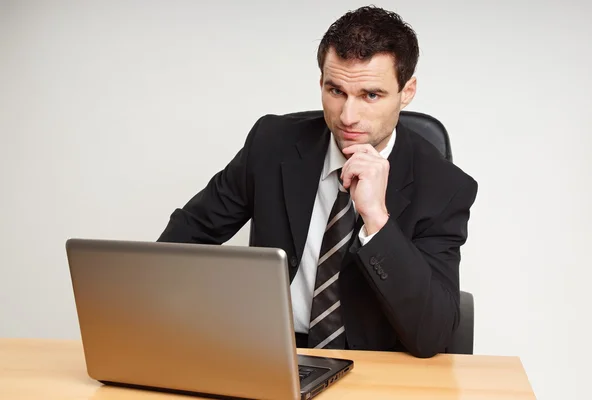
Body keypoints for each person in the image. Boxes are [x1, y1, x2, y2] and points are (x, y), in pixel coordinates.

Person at [157, 5, 478, 358]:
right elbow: (182, 241)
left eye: (371, 95)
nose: (347, 116)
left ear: (407, 91)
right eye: (335, 90)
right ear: (321, 82)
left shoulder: (445, 188)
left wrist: (377, 220)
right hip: (270, 354)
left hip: (376, 364)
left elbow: (432, 335)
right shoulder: (271, 144)